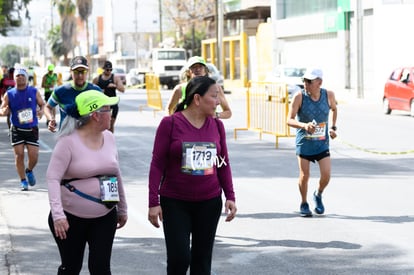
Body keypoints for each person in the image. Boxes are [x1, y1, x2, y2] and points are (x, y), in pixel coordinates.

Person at [148, 75, 237, 274]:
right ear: (197, 99)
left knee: (202, 261)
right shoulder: (170, 124)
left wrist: (230, 196)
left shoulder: (216, 125)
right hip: (175, 202)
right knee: (180, 258)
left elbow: (222, 163)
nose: (218, 102)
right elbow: (157, 164)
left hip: (209, 201)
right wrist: (153, 202)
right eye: (214, 96)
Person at [46, 90, 128, 275]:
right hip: (70, 219)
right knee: (71, 267)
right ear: (95, 115)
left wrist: (122, 208)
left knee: (101, 268)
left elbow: (116, 173)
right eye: (108, 109)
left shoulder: (109, 137)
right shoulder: (67, 143)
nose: (112, 113)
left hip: (105, 215)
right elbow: (52, 178)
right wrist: (58, 216)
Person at [287, 68, 338, 217]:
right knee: (305, 175)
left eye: (309, 81)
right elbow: (289, 120)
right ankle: (304, 203)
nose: (305, 84)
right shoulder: (299, 97)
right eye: (304, 81)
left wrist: (333, 127)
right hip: (304, 143)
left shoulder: (328, 95)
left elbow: (334, 109)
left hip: (322, 142)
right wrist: (304, 125)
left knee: (326, 174)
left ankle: (318, 194)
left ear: (319, 82)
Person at [0, 68, 45, 191]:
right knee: (19, 155)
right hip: (17, 129)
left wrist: (41, 111)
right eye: (17, 76)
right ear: (14, 78)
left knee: (34, 156)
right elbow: (2, 108)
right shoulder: (9, 94)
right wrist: (3, 111)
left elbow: (42, 104)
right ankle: (23, 181)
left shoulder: (33, 91)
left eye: (22, 75)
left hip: (31, 128)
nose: (20, 77)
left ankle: (29, 170)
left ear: (26, 77)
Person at [44, 56, 101, 132]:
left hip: (88, 139)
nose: (80, 75)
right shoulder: (61, 91)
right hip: (66, 137)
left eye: (83, 71)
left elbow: (105, 112)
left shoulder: (96, 91)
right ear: (71, 71)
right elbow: (47, 107)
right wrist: (50, 119)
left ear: (87, 71)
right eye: (76, 72)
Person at [165, 56, 232, 119]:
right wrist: (173, 123)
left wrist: (216, 115)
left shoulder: (215, 88)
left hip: (207, 128)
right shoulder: (180, 89)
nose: (197, 69)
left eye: (201, 67)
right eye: (194, 67)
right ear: (188, 72)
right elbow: (169, 109)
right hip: (187, 128)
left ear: (205, 71)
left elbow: (228, 112)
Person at [92, 60, 125, 133]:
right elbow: (91, 90)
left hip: (113, 105)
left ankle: (110, 140)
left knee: (110, 125)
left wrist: (115, 86)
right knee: (101, 125)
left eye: (111, 70)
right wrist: (99, 90)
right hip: (102, 105)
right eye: (107, 69)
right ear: (103, 69)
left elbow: (122, 89)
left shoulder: (115, 78)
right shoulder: (97, 79)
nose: (109, 71)